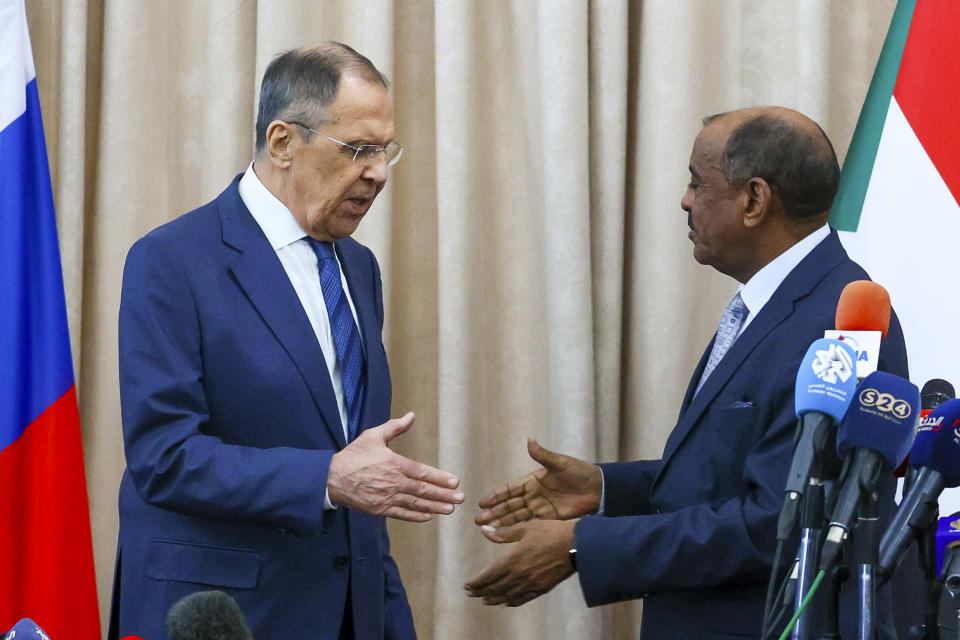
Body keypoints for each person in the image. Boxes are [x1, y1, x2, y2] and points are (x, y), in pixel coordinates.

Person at [465, 107, 909, 638]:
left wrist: (584, 544)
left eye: (698, 184)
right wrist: (607, 488)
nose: (685, 199)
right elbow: (736, 473)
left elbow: (780, 522)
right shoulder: (775, 305)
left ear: (753, 201)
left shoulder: (841, 326)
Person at [110, 43, 464, 640]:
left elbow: (359, 462)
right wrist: (325, 478)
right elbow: (163, 457)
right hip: (226, 617)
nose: (378, 172)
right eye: (358, 149)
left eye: (385, 151)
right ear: (282, 143)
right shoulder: (171, 261)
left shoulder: (359, 268)